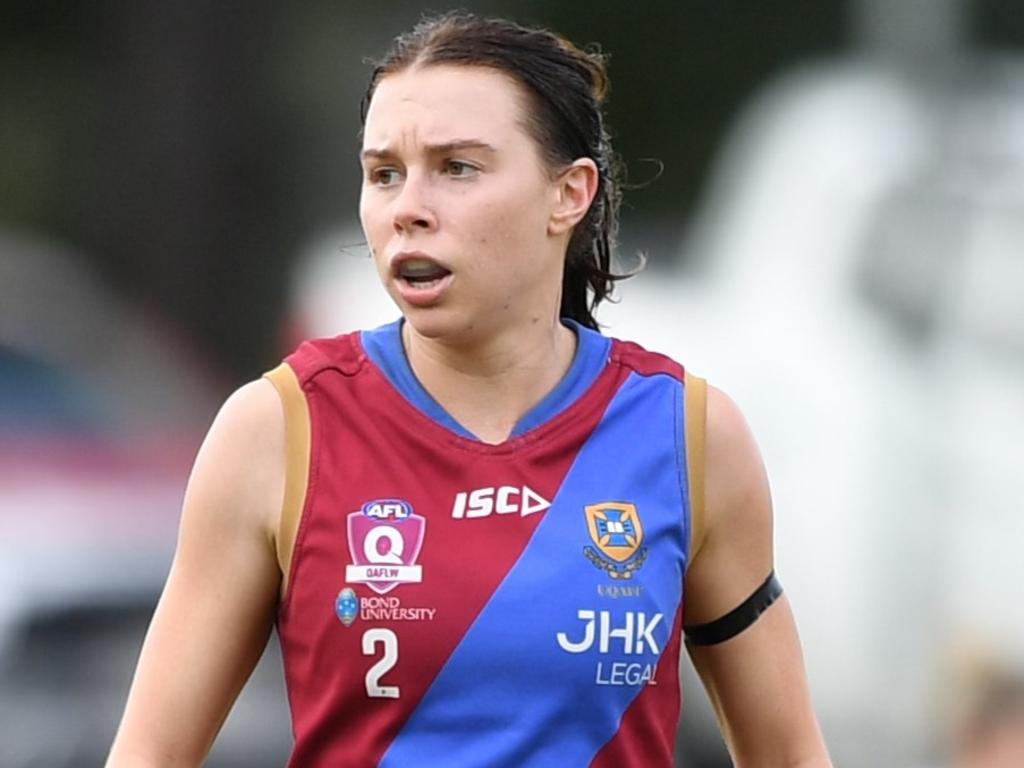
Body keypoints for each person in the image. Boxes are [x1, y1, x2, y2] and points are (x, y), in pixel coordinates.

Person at [107, 12, 832, 767]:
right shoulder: (277, 430)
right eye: (385, 172)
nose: (408, 208)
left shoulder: (687, 434)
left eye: (457, 167)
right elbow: (149, 754)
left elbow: (789, 754)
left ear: (569, 194)